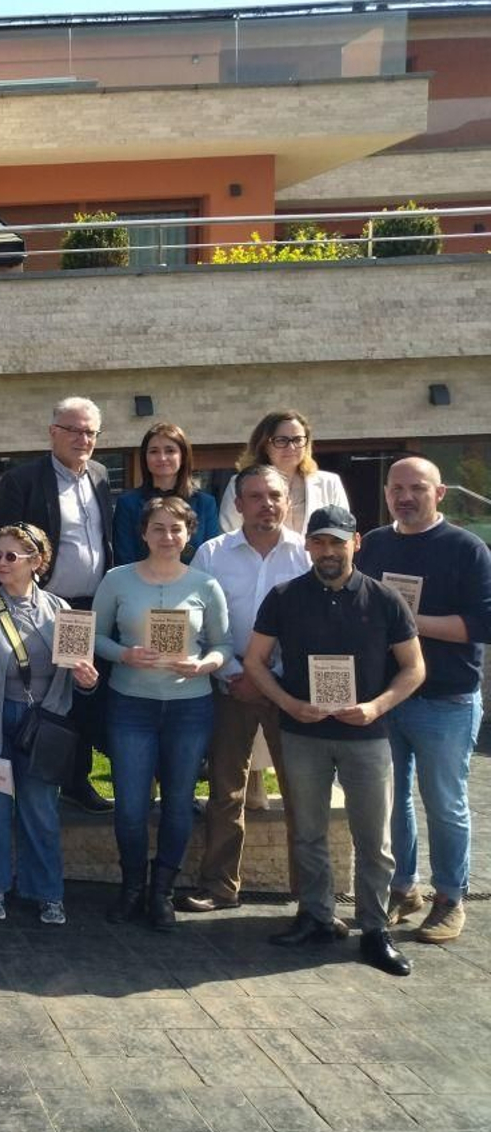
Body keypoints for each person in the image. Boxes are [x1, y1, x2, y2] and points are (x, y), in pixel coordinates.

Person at [246, 505, 425, 976]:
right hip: (303, 733)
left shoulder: (385, 599)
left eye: (337, 542)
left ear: (356, 543)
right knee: (308, 832)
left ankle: (375, 929)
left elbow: (414, 667)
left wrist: (376, 707)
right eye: (320, 541)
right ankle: (317, 916)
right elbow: (255, 661)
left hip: (367, 735)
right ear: (308, 545)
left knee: (374, 839)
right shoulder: (284, 597)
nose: (328, 551)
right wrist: (288, 703)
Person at [356, 457, 491, 943]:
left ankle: (450, 897)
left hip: (446, 698)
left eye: (417, 487)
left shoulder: (467, 549)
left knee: (444, 804)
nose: (405, 497)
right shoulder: (374, 544)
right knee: (391, 803)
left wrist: (406, 622)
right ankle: (403, 888)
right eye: (397, 488)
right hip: (386, 696)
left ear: (440, 493)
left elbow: (482, 625)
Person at [93, 497, 231, 931]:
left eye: (176, 528)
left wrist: (204, 665)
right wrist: (123, 654)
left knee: (177, 803)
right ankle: (132, 886)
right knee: (130, 807)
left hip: (189, 706)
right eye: (158, 527)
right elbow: (93, 636)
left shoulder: (206, 585)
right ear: (143, 533)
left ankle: (162, 892)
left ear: (189, 534)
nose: (167, 536)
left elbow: (223, 646)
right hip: (130, 704)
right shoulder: (117, 580)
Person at [178, 467, 311, 914]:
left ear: (287, 501)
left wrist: (270, 678)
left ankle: (308, 895)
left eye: (274, 495)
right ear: (238, 504)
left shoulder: (305, 554)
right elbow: (195, 622)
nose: (266, 504)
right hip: (229, 684)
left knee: (300, 792)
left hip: (289, 689)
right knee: (226, 790)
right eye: (255, 496)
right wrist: (237, 674)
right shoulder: (212, 554)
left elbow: (315, 627)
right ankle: (219, 886)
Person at [0, 524, 99, 924]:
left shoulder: (62, 611)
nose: (1, 563)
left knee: (40, 810)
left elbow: (76, 677)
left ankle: (46, 891)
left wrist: (87, 682)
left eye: (11, 556)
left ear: (36, 561)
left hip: (44, 726)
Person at [0, 397, 116, 813]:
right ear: (53, 432)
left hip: (90, 606)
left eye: (91, 432)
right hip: (43, 607)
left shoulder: (99, 476)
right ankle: (30, 779)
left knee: (81, 692)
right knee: (43, 693)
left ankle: (76, 780)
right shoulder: (22, 480)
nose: (83, 439)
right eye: (74, 430)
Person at [219, 410, 349, 535]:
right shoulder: (240, 484)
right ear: (264, 445)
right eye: (281, 440)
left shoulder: (329, 484)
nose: (291, 447)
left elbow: (343, 532)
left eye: (298, 440)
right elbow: (230, 534)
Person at [112, 422, 220, 565]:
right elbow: (124, 559)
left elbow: (211, 558)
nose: (162, 458)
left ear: (183, 456)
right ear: (145, 457)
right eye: (154, 451)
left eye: (170, 451)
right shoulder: (128, 504)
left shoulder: (205, 504)